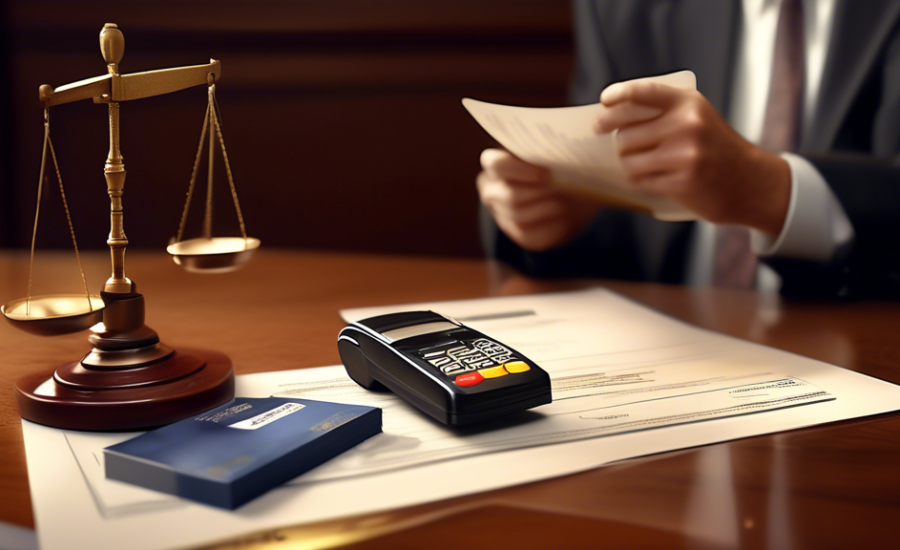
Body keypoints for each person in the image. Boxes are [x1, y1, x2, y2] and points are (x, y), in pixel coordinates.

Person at [477, 0, 900, 299]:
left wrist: (767, 190)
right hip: (667, 346)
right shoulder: (620, 7)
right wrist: (554, 215)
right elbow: (609, 208)